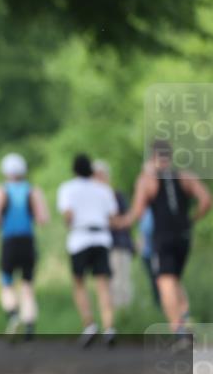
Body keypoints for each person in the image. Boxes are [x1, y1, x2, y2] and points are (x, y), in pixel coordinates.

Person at [114, 140, 210, 336]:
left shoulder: (147, 180)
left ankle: (178, 328)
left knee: (164, 281)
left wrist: (118, 222)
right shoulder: (185, 176)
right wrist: (192, 218)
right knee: (175, 280)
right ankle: (186, 318)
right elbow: (206, 200)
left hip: (162, 237)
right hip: (184, 236)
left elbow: (137, 213)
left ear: (153, 157)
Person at [0, 153, 49, 339]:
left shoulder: (0, 190)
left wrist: (1, 223)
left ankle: (13, 314)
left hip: (9, 240)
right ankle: (29, 326)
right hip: (28, 240)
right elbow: (42, 218)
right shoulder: (32, 190)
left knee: (6, 283)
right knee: (27, 285)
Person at [57, 154, 119, 347]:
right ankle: (109, 327)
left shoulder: (67, 188)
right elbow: (112, 216)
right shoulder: (103, 189)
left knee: (79, 283)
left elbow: (68, 215)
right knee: (103, 284)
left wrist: (70, 223)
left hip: (79, 238)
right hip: (101, 237)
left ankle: (89, 323)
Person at [93, 160, 136, 309]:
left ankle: (124, 314)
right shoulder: (94, 198)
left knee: (120, 282)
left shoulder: (116, 195)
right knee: (107, 283)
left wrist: (107, 221)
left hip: (118, 243)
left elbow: (127, 219)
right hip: (102, 246)